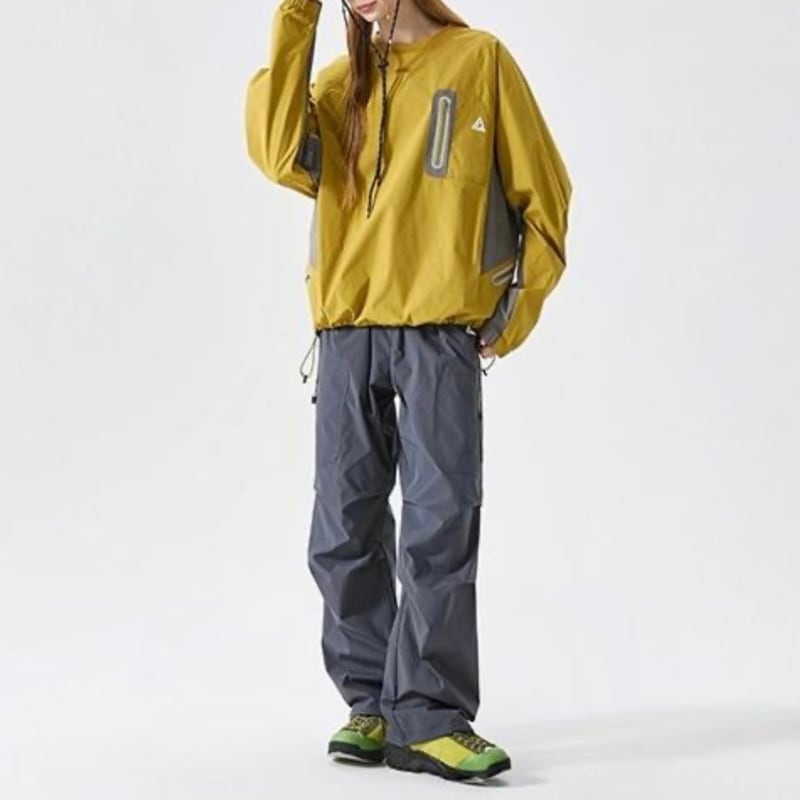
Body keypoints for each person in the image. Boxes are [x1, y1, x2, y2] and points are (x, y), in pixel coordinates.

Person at [244, 0, 572, 783]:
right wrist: (296, 16)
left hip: (438, 333)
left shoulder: (479, 60)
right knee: (342, 526)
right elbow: (277, 151)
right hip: (348, 331)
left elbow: (546, 193)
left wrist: (512, 312)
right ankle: (373, 703)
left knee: (440, 521)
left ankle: (429, 715)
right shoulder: (339, 83)